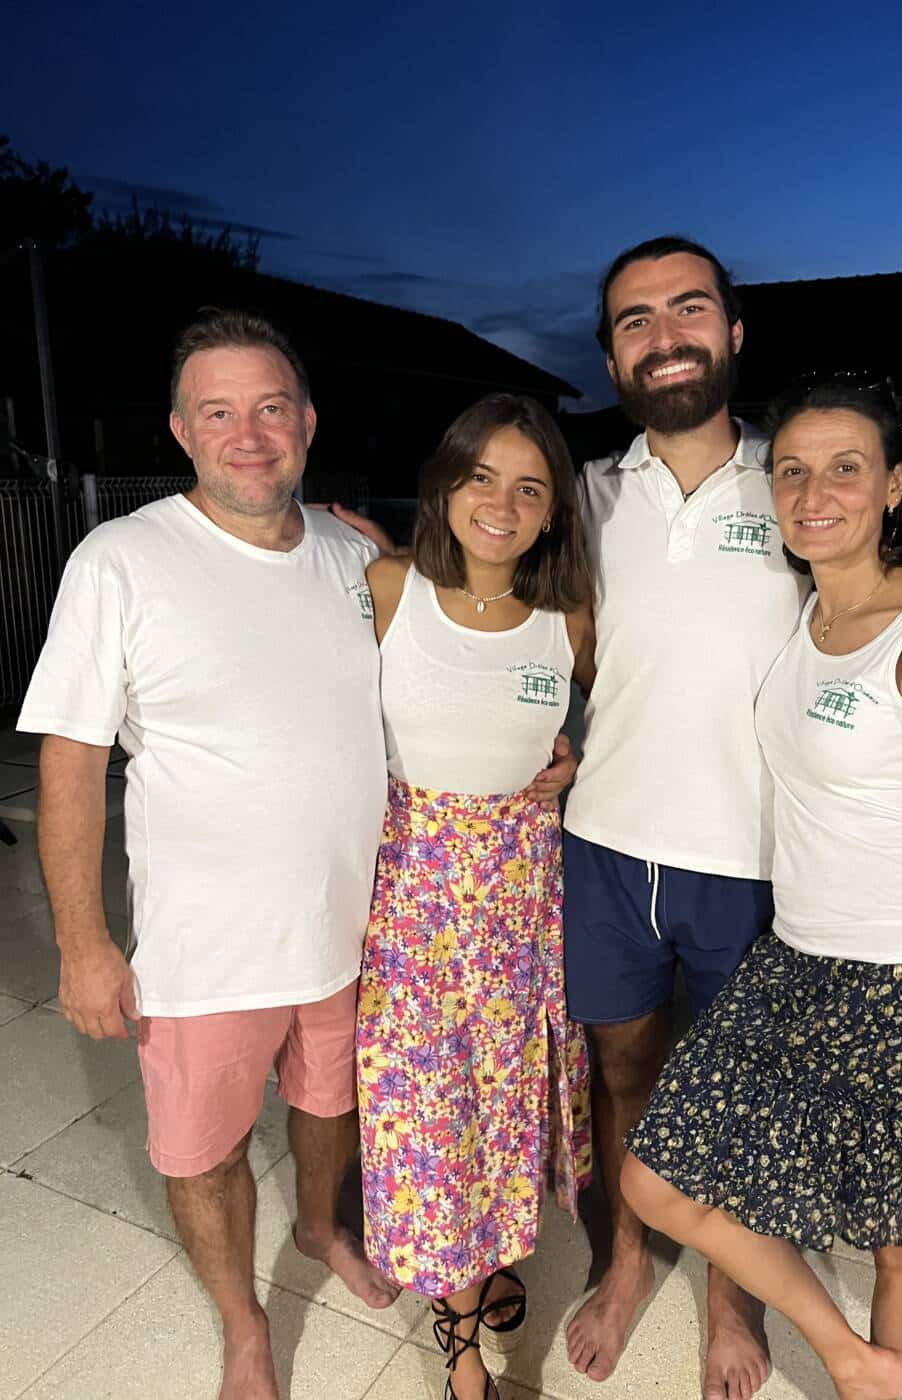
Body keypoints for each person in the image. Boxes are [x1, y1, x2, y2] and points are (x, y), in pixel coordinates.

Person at [16, 312, 573, 1400]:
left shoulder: (354, 554)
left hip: (355, 927)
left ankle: (321, 1227)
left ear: (307, 421)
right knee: (207, 1150)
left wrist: (546, 746)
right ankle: (241, 1321)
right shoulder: (118, 561)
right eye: (219, 412)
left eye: (271, 407)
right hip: (204, 947)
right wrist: (84, 944)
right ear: (182, 430)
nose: (249, 433)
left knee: (330, 1105)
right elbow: (71, 761)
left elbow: (461, 666)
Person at [559, 236, 902, 1397]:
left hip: (757, 868)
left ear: (731, 332)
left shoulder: (791, 476)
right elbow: (485, 578)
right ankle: (626, 1266)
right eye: (634, 319)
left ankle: (738, 1314)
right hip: (609, 840)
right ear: (613, 350)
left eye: (687, 310)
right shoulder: (583, 494)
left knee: (775, 1148)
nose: (663, 335)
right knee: (624, 1073)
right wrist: (356, 558)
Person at [357, 394, 595, 1400]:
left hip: (522, 904)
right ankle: (460, 1355)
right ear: (444, 483)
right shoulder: (383, 586)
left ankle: (495, 1250)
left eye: (529, 486)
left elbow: (603, 728)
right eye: (483, 476)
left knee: (506, 1102)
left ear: (552, 513)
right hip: (413, 902)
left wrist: (576, 756)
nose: (502, 502)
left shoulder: (568, 620)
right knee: (427, 1114)